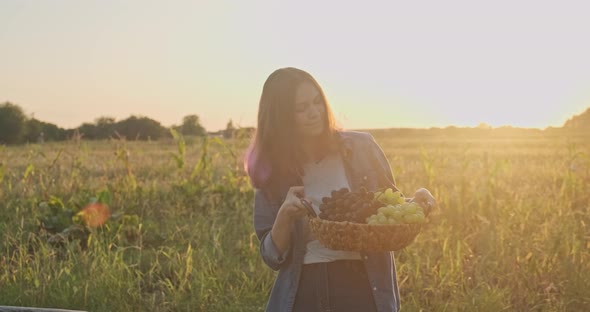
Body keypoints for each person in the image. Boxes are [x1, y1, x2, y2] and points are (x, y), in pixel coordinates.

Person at [244, 67, 436, 312]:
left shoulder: (361, 148)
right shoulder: (271, 170)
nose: (314, 113)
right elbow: (271, 257)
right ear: (280, 117)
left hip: (362, 285)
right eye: (301, 109)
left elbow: (386, 210)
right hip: (305, 290)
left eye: (317, 102)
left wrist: (417, 203)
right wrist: (284, 216)